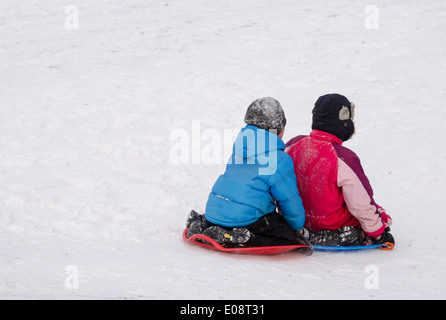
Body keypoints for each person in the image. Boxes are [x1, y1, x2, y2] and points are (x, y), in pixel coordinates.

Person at [186, 97, 311, 249]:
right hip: (246, 219)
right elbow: (288, 199)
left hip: (215, 212)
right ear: (280, 130)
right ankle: (243, 238)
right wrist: (297, 228)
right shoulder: (279, 159)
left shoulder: (239, 150)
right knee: (288, 237)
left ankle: (206, 226)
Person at [286, 93, 395, 247]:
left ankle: (305, 233)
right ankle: (351, 235)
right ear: (342, 122)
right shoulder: (343, 158)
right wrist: (378, 233)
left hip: (298, 218)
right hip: (332, 221)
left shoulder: (293, 144)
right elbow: (360, 203)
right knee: (376, 214)